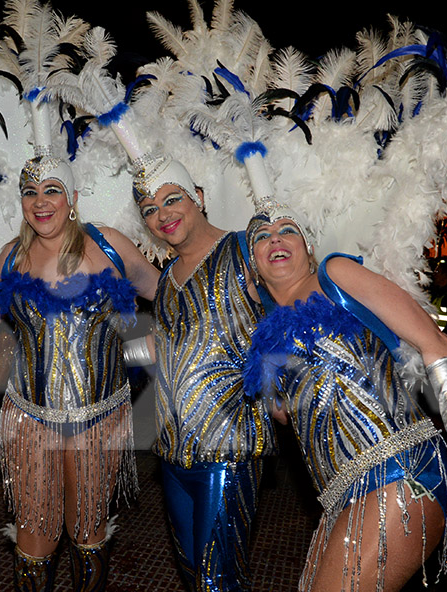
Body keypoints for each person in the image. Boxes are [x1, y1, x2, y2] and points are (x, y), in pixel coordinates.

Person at [243, 200, 447, 592]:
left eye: (287, 229)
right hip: (339, 495)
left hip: (401, 471)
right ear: (253, 265)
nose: (274, 237)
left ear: (308, 248)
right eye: (261, 236)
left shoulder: (335, 275)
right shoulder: (268, 340)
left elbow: (435, 343)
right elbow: (293, 415)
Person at [0, 149, 160, 591]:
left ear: (71, 197)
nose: (40, 201)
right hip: (31, 418)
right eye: (29, 192)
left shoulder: (107, 243)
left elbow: (168, 294)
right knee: (36, 537)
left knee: (88, 531)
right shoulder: (12, 256)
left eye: (51, 190)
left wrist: (156, 345)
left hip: (101, 415)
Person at [133, 154, 276, 592]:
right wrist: (104, 353)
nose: (162, 215)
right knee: (193, 572)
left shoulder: (244, 251)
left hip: (229, 451)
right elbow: (167, 346)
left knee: (219, 581)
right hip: (172, 455)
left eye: (171, 199)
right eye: (150, 210)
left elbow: (294, 307)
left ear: (197, 196)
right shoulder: (165, 279)